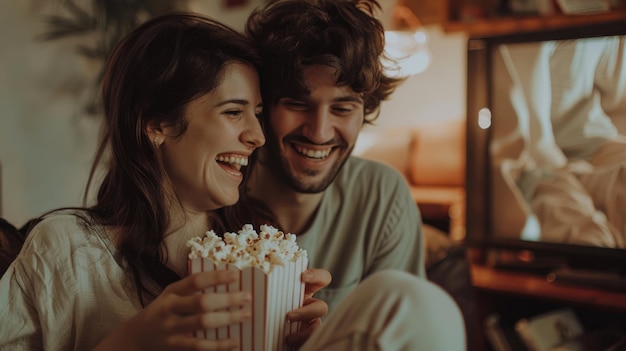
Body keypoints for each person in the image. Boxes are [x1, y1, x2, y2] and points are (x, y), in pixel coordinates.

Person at [0, 9, 466, 351]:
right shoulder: (64, 250)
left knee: (411, 303)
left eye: (258, 114)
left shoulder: (254, 246)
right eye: (234, 113)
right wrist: (132, 342)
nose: (257, 136)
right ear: (156, 123)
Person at [219, 1, 466, 348]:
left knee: (423, 304)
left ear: (364, 111)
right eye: (297, 103)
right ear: (263, 108)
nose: (319, 132)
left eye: (342, 108)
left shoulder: (382, 194)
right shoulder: (219, 187)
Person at [491, 35, 626, 248]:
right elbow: (537, 145)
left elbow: (615, 99)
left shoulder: (607, 22)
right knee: (593, 239)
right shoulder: (537, 27)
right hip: (540, 159)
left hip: (595, 144)